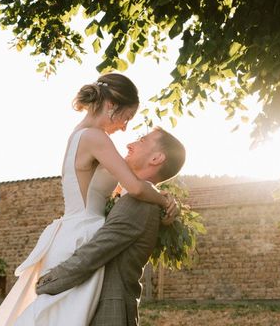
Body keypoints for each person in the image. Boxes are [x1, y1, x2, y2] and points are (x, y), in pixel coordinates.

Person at [0, 73, 176, 326]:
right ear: (111, 106)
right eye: (126, 118)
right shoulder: (95, 137)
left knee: (59, 316)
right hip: (82, 235)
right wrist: (165, 202)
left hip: (73, 230)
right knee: (63, 317)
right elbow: (135, 187)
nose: (125, 127)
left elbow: (124, 190)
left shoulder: (82, 135)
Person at [36, 127, 186, 326]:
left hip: (110, 312)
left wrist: (46, 282)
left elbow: (94, 252)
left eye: (141, 140)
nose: (129, 144)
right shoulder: (137, 198)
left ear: (156, 158)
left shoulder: (139, 203)